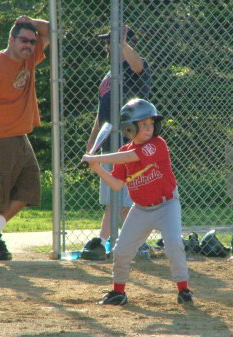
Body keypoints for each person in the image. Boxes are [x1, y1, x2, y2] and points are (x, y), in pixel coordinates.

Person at [82, 98, 194, 305]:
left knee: (173, 243)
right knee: (121, 250)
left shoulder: (157, 144)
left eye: (151, 123)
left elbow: (131, 157)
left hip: (167, 204)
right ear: (129, 128)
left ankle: (184, 289)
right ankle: (118, 292)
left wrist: (96, 159)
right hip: (141, 209)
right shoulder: (123, 151)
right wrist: (96, 168)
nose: (148, 128)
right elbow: (116, 184)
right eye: (142, 124)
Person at [0, 16, 49, 261]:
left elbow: (51, 30)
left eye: (32, 41)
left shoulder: (28, 60)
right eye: (23, 40)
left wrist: (31, 21)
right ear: (11, 39)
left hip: (20, 136)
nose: (29, 45)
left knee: (31, 187)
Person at [82, 25, 151, 260]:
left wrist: (123, 45)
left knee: (125, 202)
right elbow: (101, 116)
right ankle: (101, 242)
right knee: (113, 198)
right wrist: (92, 146)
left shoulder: (132, 69)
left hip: (128, 144)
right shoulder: (109, 75)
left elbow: (138, 65)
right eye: (108, 42)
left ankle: (138, 244)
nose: (108, 46)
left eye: (113, 41)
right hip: (109, 146)